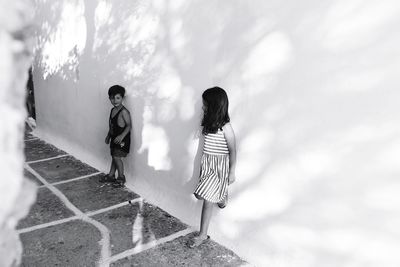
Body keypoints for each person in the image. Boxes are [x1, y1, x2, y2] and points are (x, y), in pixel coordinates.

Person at [188, 86, 237, 248]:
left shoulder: (226, 127)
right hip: (208, 165)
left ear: (215, 106)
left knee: (207, 200)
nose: (203, 107)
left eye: (205, 105)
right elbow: (206, 149)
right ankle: (222, 196)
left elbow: (232, 150)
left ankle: (202, 235)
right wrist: (202, 168)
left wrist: (231, 171)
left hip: (219, 167)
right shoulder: (208, 125)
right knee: (199, 195)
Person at [99, 85, 132, 187]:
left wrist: (122, 136)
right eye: (112, 98)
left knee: (117, 158)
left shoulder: (124, 112)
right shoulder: (113, 110)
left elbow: (129, 126)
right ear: (109, 98)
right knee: (114, 157)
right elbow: (112, 125)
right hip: (114, 139)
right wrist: (108, 136)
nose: (115, 100)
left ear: (122, 98)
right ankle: (111, 175)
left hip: (122, 140)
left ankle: (121, 177)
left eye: (118, 98)